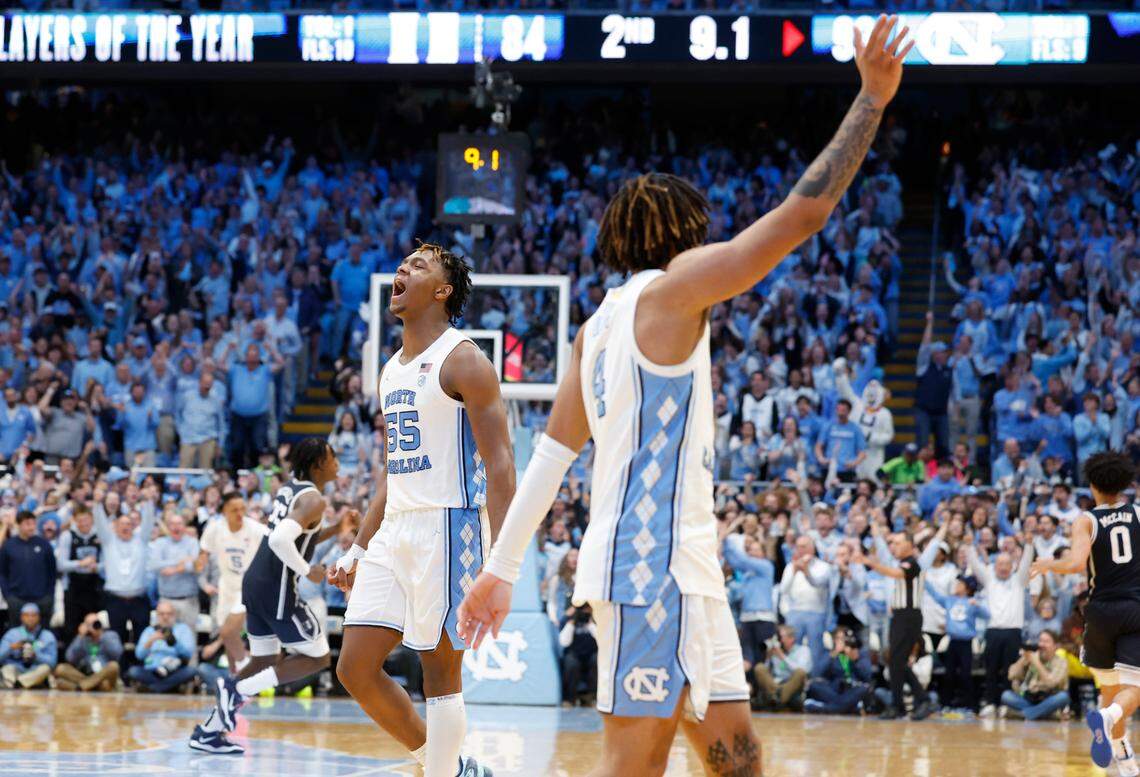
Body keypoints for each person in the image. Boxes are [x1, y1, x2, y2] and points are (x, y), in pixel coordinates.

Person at [457, 16, 913, 776]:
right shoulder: (672, 292)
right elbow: (804, 214)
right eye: (699, 228)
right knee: (632, 766)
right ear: (681, 235)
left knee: (737, 762)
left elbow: (548, 460)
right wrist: (872, 99)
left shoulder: (595, 327)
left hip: (686, 571)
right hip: (648, 568)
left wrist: (502, 570)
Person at [331, 244, 511, 777]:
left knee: (439, 674)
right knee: (355, 667)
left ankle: (443, 770)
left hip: (448, 526)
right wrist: (360, 545)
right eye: (402, 263)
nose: (402, 269)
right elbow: (396, 471)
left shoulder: (465, 359)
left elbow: (502, 467)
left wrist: (502, 560)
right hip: (396, 528)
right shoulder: (390, 370)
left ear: (442, 290)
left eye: (419, 265)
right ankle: (449, 767)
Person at [189, 438, 343, 755]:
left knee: (264, 660)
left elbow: (299, 536)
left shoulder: (292, 488)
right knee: (319, 657)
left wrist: (336, 529)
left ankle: (209, 730)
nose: (338, 462)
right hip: (276, 586)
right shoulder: (314, 500)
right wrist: (308, 571)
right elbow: (281, 541)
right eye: (332, 456)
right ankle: (235, 688)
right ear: (318, 464)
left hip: (255, 582)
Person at [1030, 452, 1140, 774]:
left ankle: (1126, 762)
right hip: (1134, 608)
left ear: (1091, 484)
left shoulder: (1086, 519)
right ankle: (1105, 720)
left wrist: (1049, 563)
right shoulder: (1138, 514)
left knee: (1110, 693)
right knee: (1131, 692)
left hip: (1099, 611)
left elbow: (1076, 564)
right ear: (1125, 484)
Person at [854, 532, 937, 720]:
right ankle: (909, 702)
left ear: (909, 545)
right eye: (892, 543)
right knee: (896, 662)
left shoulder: (912, 563)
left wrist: (870, 563)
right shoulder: (903, 562)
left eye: (898, 543)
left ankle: (912, 702)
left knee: (897, 661)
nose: (894, 546)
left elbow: (896, 574)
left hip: (908, 616)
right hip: (901, 616)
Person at [197, 491, 268, 670]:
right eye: (234, 509)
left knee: (228, 631)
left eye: (242, 508)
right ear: (224, 512)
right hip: (226, 587)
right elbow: (203, 551)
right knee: (229, 637)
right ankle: (235, 681)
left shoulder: (256, 529)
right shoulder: (214, 528)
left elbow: (277, 546)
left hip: (249, 587)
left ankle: (246, 667)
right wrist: (199, 564)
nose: (239, 513)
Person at [969, 533, 1035, 719]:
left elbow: (1026, 563)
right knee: (990, 670)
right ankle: (990, 703)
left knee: (1010, 671)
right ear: (995, 566)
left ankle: (1007, 704)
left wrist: (1028, 545)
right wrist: (969, 547)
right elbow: (975, 565)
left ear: (1012, 566)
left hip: (1013, 632)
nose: (1003, 568)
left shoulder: (1019, 581)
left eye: (1007, 564)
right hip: (993, 631)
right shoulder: (989, 580)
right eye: (1000, 564)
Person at [95, 496, 159, 647]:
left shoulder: (141, 540)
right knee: (116, 641)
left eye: (129, 524)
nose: (125, 527)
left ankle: (140, 670)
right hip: (115, 600)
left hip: (139, 600)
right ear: (115, 526)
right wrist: (97, 504)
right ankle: (118, 670)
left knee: (142, 640)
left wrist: (149, 501)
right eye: (122, 524)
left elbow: (149, 521)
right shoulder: (109, 541)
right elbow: (100, 523)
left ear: (134, 526)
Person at [924, 576, 988, 710]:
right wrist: (924, 580)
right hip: (952, 642)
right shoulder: (949, 600)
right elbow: (935, 595)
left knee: (966, 675)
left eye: (960, 583)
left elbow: (987, 615)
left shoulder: (972, 602)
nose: (957, 585)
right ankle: (946, 704)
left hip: (966, 643)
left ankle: (971, 705)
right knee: (949, 674)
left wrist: (978, 605)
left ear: (967, 588)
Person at [0, 510, 57, 627]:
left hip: (42, 599)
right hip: (16, 599)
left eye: (33, 523)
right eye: (27, 524)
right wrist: (8, 596)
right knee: (16, 635)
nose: (31, 527)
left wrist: (49, 595)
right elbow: (3, 573)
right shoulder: (9, 546)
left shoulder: (44, 544)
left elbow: (52, 572)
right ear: (19, 525)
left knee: (42, 634)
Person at [55, 506, 103, 642]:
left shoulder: (99, 535)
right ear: (75, 521)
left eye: (86, 519)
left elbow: (106, 564)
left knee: (94, 625)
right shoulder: (67, 536)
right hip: (73, 588)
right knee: (71, 627)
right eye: (79, 520)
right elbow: (60, 564)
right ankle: (71, 659)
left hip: (93, 588)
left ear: (92, 519)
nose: (83, 523)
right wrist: (80, 563)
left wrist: (96, 567)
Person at [128, 599, 197, 692]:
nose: (165, 617)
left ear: (175, 615)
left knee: (191, 671)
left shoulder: (183, 629)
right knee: (133, 671)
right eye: (162, 614)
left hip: (174, 670)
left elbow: (188, 654)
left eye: (169, 614)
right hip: (151, 670)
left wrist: (174, 643)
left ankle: (153, 688)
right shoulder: (149, 630)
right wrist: (151, 641)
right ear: (157, 615)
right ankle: (168, 687)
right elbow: (139, 655)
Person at [1001, 629, 1070, 721]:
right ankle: (1045, 714)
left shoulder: (1061, 662)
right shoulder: (1033, 656)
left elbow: (1051, 683)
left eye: (1046, 642)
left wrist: (1037, 663)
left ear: (1055, 646)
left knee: (1063, 697)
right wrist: (1023, 659)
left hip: (1049, 698)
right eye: (1040, 641)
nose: (1042, 644)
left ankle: (1022, 714)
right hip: (1028, 697)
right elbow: (1011, 675)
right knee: (1006, 695)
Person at [803, 628, 874, 715]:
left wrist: (855, 660)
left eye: (845, 638)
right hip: (833, 689)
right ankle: (850, 707)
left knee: (864, 688)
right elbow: (817, 673)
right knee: (813, 685)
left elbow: (867, 676)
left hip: (851, 688)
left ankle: (824, 708)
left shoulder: (859, 653)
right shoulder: (829, 653)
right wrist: (834, 653)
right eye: (839, 638)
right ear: (834, 640)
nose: (842, 641)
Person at [147, 514, 201, 627]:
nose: (176, 527)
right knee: (164, 637)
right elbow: (154, 565)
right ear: (168, 527)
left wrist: (173, 568)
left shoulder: (193, 542)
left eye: (179, 524)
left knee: (189, 637)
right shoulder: (160, 542)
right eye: (172, 524)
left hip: (188, 600)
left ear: (184, 526)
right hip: (165, 600)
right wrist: (181, 562)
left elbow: (195, 565)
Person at [54, 612, 123, 691]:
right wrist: (80, 637)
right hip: (86, 674)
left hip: (104, 675)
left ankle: (80, 687)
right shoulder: (82, 639)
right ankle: (90, 685)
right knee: (60, 668)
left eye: (96, 623)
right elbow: (69, 658)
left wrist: (100, 636)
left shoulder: (110, 635)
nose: (94, 626)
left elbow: (117, 654)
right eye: (90, 624)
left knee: (114, 666)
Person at [752, 624, 812, 711]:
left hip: (792, 686)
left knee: (800, 672)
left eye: (781, 637)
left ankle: (775, 700)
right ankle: (778, 699)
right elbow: (767, 674)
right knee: (759, 667)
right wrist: (768, 657)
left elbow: (803, 670)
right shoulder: (775, 651)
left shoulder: (803, 650)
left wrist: (782, 657)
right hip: (775, 685)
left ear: (791, 639)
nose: (779, 640)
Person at [0, 602, 57, 689]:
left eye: (34, 615)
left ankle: (19, 683)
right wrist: (11, 648)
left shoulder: (47, 636)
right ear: (21, 617)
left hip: (35, 670)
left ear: (39, 617)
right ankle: (16, 683)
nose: (30, 618)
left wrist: (36, 656)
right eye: (26, 615)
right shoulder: (12, 634)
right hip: (17, 667)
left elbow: (53, 663)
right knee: (7, 668)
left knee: (45, 669)